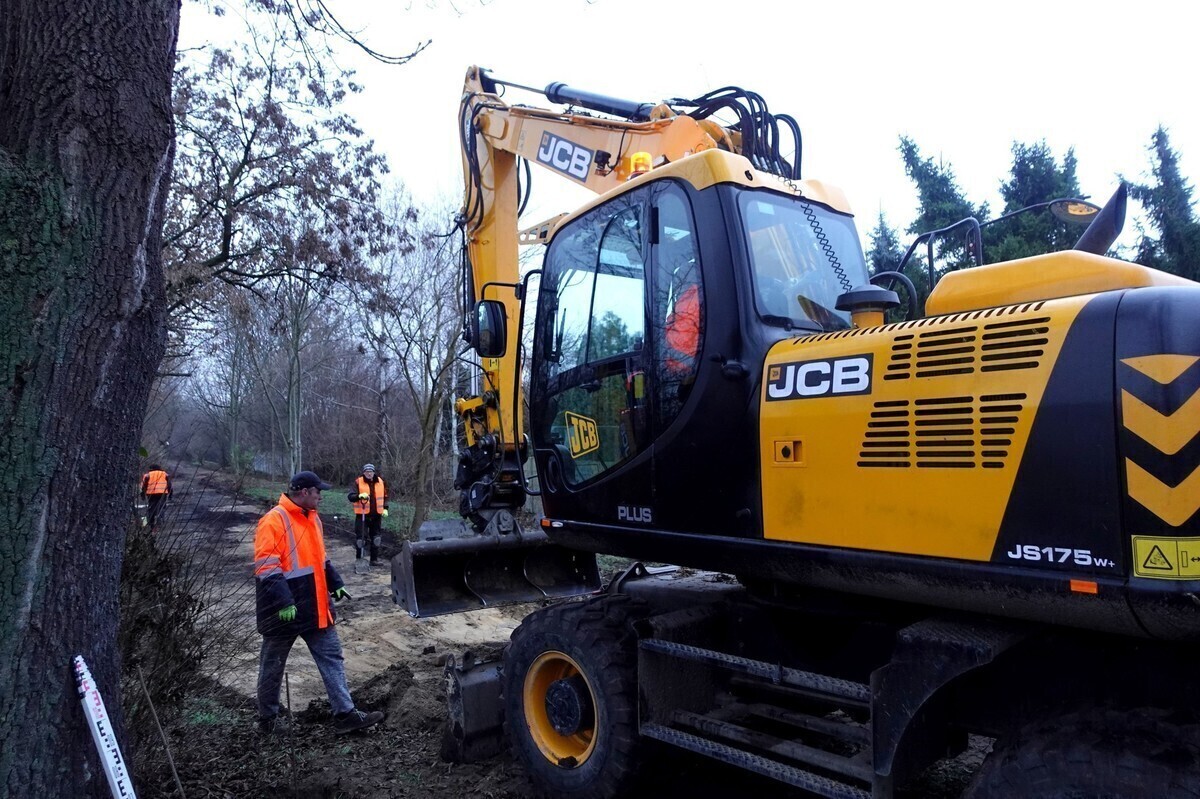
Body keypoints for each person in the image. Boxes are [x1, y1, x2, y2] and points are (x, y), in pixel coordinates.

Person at [253, 470, 384, 735]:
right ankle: (268, 719)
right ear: (304, 493)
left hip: (314, 605)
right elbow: (267, 567)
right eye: (318, 492)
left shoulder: (313, 519)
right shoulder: (273, 521)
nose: (321, 497)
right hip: (283, 611)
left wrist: (335, 582)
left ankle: (345, 713)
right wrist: (283, 602)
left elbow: (320, 558)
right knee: (273, 663)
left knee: (331, 655)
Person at [347, 463, 388, 567]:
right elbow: (350, 496)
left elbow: (385, 496)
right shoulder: (358, 482)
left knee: (376, 538)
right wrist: (359, 496)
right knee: (361, 539)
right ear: (363, 472)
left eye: (370, 471)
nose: (369, 473)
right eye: (367, 472)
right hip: (362, 515)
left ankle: (374, 560)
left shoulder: (380, 482)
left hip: (376, 515)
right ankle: (359, 559)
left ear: (373, 472)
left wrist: (385, 508)